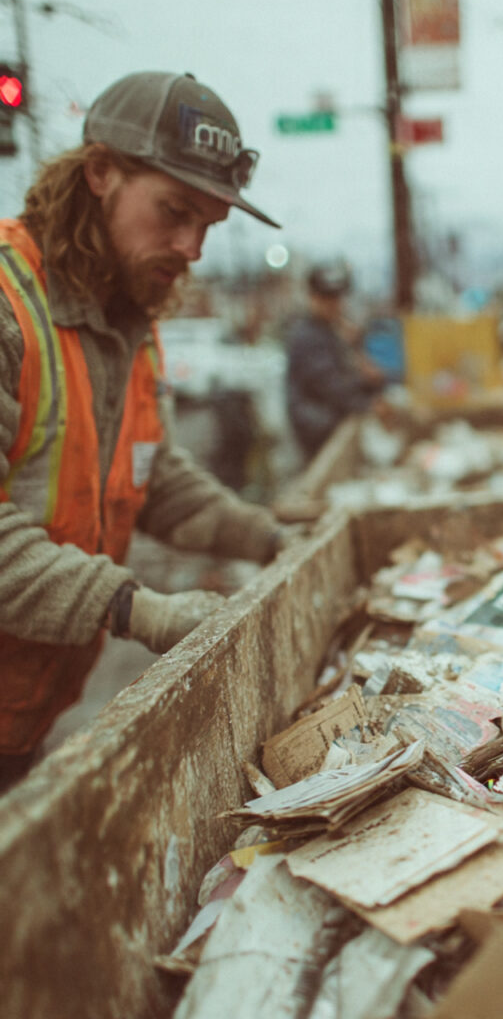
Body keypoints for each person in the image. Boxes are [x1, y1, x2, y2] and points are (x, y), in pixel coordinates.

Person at [0, 71, 290, 788]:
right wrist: (135, 607)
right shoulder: (9, 307)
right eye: (173, 212)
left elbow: (150, 474)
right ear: (100, 172)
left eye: (208, 227)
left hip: (22, 712)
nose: (191, 247)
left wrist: (268, 537)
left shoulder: (125, 318)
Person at [285, 263, 387, 462]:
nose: (334, 304)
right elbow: (331, 387)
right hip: (318, 431)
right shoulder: (307, 336)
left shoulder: (329, 330)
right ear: (312, 298)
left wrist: (357, 348)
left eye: (337, 298)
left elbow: (350, 375)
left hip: (329, 423)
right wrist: (368, 405)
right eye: (326, 298)